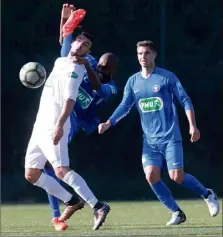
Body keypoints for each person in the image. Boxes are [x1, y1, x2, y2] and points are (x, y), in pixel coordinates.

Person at [98, 40, 220, 226]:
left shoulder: (167, 78)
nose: (143, 57)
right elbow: (125, 106)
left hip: (171, 137)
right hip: (150, 141)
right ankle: (176, 212)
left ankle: (207, 194)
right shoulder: (133, 81)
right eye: (139, 53)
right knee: (151, 176)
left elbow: (185, 100)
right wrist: (109, 122)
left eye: (146, 53)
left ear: (154, 55)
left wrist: (192, 125)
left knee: (176, 177)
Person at [42, 3, 119, 231]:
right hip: (60, 113)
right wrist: (64, 20)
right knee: (48, 167)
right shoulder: (90, 60)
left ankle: (74, 206)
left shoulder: (111, 88)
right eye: (100, 64)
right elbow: (66, 46)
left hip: (73, 120)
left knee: (55, 167)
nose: (100, 68)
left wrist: (88, 65)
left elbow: (97, 88)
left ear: (110, 71)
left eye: (104, 68)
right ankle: (66, 209)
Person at [24, 30, 110, 232]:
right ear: (73, 42)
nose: (81, 44)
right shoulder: (60, 61)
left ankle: (98, 206)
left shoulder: (76, 68)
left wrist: (59, 125)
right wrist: (65, 20)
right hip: (40, 125)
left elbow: (70, 100)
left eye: (86, 44)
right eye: (79, 40)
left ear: (88, 51)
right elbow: (64, 37)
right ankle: (71, 201)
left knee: (61, 170)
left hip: (56, 123)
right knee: (32, 174)